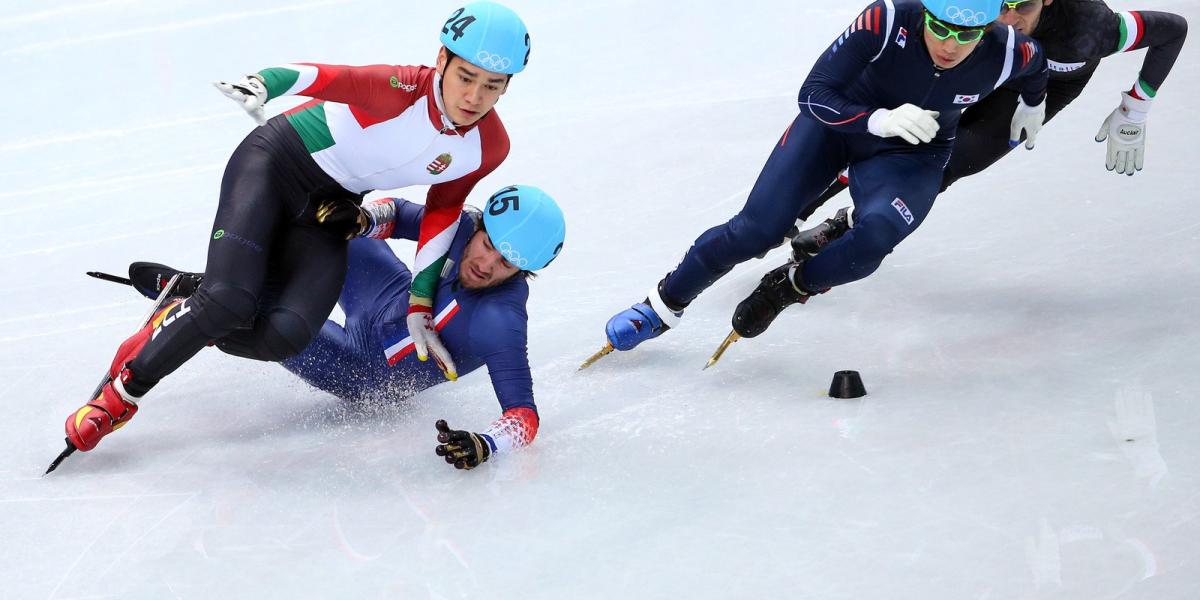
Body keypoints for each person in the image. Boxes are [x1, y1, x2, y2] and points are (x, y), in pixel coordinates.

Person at [62, 2, 532, 456]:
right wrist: (265, 83)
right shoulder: (401, 88)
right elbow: (327, 78)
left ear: (507, 87)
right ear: (441, 60)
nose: (474, 97)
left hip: (331, 204)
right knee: (229, 300)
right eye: (466, 77)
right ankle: (121, 395)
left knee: (285, 335)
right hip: (273, 164)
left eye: (492, 86)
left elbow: (443, 213)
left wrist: (420, 302)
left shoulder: (488, 146)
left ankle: (186, 314)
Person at [596, 0, 1050, 357]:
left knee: (872, 243)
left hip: (912, 152)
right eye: (941, 27)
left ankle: (790, 286)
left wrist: (1033, 103)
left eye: (966, 33)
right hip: (839, 125)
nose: (950, 45)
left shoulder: (1008, 50)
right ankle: (661, 305)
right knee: (756, 230)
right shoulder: (887, 18)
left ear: (988, 27)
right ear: (925, 13)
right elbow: (812, 94)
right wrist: (876, 120)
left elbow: (1037, 66)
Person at [796, 0, 1188, 225]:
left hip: (1044, 86)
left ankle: (843, 228)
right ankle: (799, 207)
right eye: (1000, 6)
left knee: (946, 164)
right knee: (898, 130)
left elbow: (1173, 29)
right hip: (980, 59)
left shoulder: (1092, 28)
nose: (1009, 20)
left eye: (1024, 6)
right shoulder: (971, 15)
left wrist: (1135, 108)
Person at [285, 186, 565, 470]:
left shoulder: (500, 319)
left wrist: (487, 444)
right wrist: (365, 218)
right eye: (488, 245)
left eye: (506, 263)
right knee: (325, 214)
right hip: (382, 293)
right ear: (480, 226)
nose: (485, 264)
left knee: (266, 321)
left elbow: (523, 414)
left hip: (365, 369)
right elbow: (397, 213)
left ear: (522, 272)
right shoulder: (462, 225)